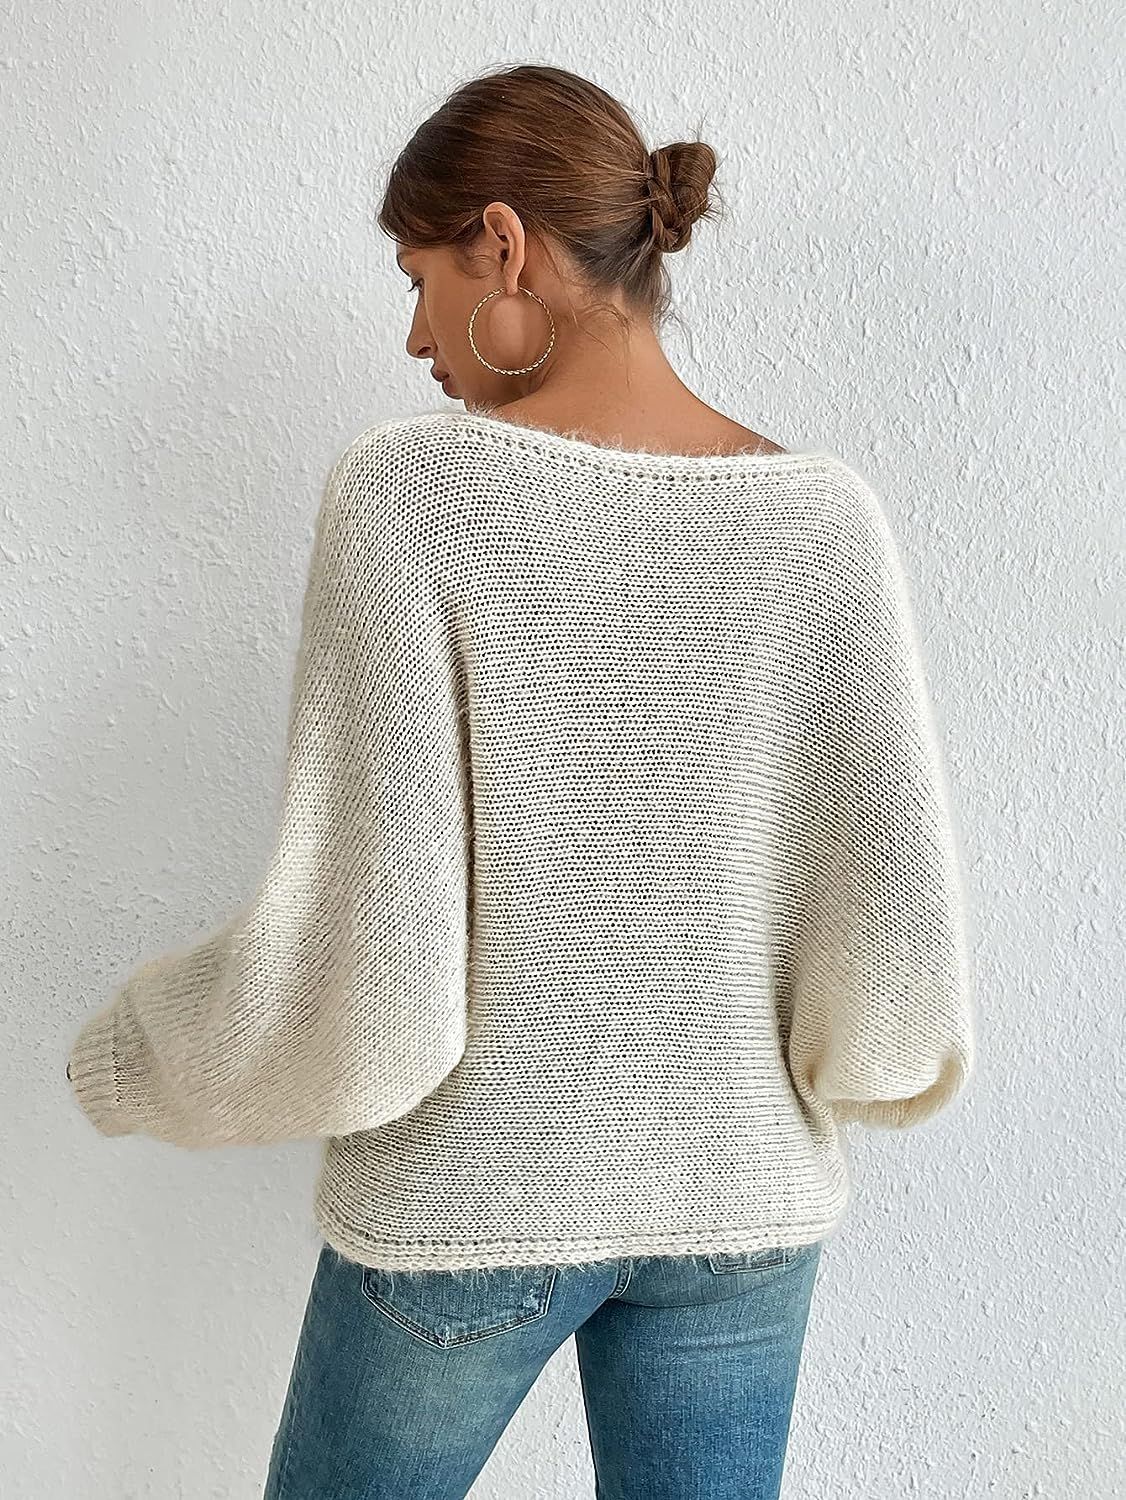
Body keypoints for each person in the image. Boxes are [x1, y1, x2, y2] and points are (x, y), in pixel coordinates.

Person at [66, 63, 975, 1500]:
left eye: (417, 280)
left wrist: (134, 1056)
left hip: (474, 1198)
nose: (414, 335)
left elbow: (361, 959)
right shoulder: (825, 524)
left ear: (502, 245)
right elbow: (890, 943)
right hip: (742, 1208)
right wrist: (837, 1075)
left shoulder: (412, 497)